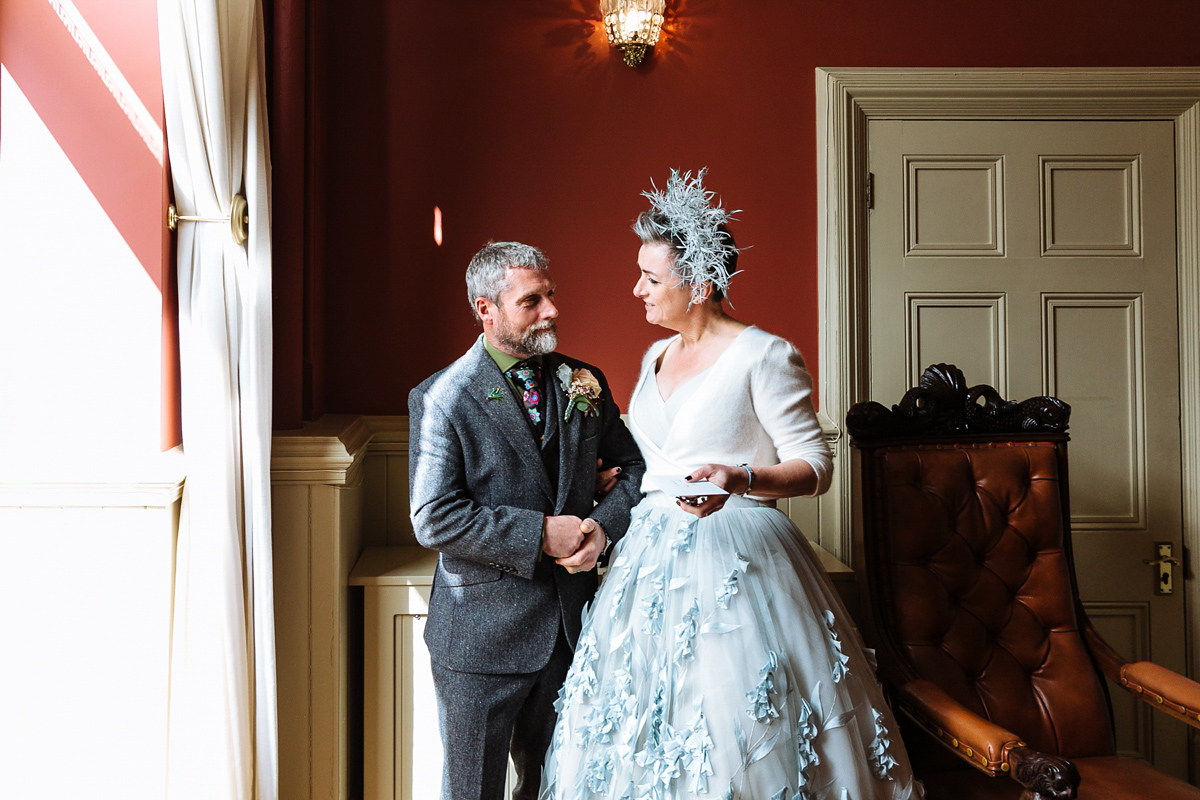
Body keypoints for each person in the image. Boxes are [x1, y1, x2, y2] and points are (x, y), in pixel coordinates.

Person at [539, 171, 923, 799]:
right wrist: (618, 476)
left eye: (651, 278)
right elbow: (654, 457)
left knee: (731, 721)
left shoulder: (763, 355)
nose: (636, 289)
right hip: (646, 563)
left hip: (737, 563)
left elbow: (816, 465)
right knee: (640, 725)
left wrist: (739, 478)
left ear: (698, 282)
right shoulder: (651, 358)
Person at [409, 241, 647, 800]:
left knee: (558, 788)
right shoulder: (443, 398)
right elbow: (433, 517)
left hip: (572, 629)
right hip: (478, 640)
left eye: (551, 295)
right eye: (531, 301)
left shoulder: (583, 380)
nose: (552, 311)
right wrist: (542, 534)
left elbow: (634, 467)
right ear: (485, 309)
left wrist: (602, 530)